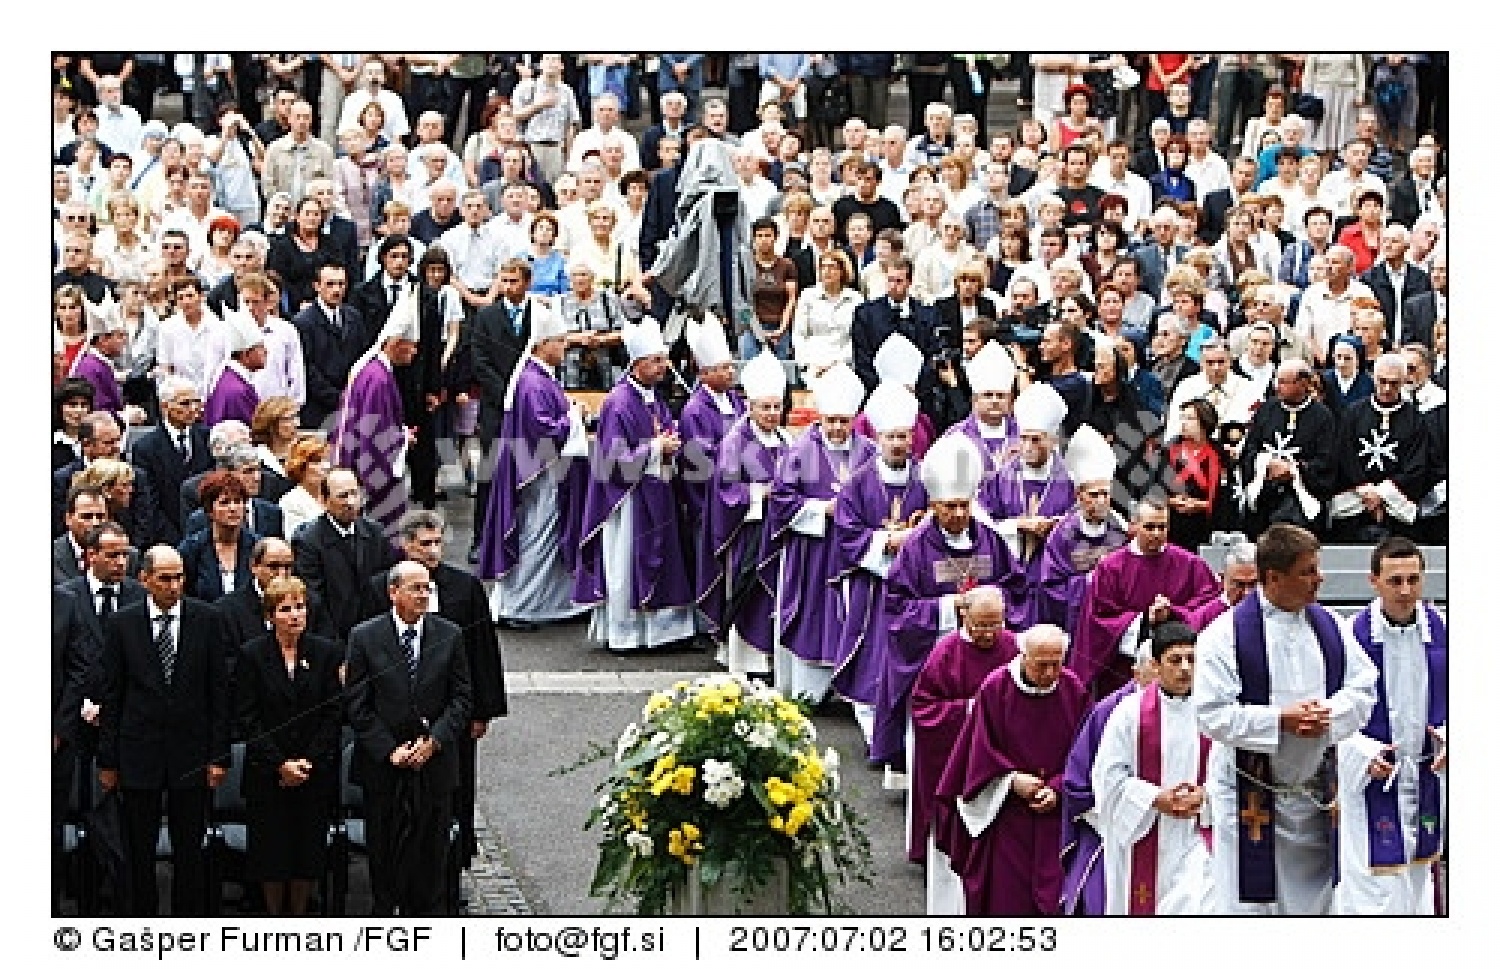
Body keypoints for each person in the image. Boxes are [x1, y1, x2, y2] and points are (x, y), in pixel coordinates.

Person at [1194, 523, 1379, 915]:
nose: (1319, 579)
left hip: (1314, 795)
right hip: (1249, 799)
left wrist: (1330, 715)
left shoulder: (1331, 627)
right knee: (1250, 909)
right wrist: (1280, 721)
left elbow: (1364, 687)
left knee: (1317, 907)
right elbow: (1211, 714)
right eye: (1307, 571)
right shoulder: (1224, 636)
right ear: (1274, 578)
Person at [876, 433, 1027, 784]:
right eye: (949, 507)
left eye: (964, 505)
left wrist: (989, 607)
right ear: (933, 504)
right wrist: (951, 607)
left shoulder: (990, 540)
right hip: (936, 653)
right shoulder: (915, 548)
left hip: (987, 652)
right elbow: (897, 608)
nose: (959, 514)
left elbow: (1017, 589)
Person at [366, 511, 509, 876]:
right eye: (424, 544)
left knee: (455, 791)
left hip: (453, 709)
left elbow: (482, 649)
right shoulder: (382, 586)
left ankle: (453, 866)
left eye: (437, 543)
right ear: (406, 545)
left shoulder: (464, 587)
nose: (432, 551)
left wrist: (483, 710)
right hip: (400, 709)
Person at [97, 545, 231, 916]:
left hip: (192, 753)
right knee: (138, 850)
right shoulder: (122, 624)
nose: (174, 586)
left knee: (190, 849)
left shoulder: (207, 619)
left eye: (179, 577)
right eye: (165, 578)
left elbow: (219, 693)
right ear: (144, 579)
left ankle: (188, 923)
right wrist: (108, 760)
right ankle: (143, 921)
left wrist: (219, 756)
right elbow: (113, 695)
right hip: (138, 753)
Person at [931, 623, 1090, 916]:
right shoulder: (996, 689)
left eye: (1056, 664)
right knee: (1006, 902)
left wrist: (1057, 787)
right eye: (1041, 665)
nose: (1050, 674)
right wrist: (1012, 780)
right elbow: (977, 752)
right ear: (1023, 656)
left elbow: (1084, 752)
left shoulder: (1073, 689)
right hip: (1006, 816)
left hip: (1056, 817)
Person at [345, 560, 472, 916]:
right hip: (385, 769)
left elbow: (462, 698)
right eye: (415, 588)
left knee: (430, 859)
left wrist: (435, 741)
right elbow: (357, 704)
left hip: (434, 767)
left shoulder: (449, 635)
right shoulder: (364, 637)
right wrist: (389, 750)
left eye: (427, 588)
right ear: (393, 592)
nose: (422, 595)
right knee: (385, 857)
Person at [1332, 537, 1448, 915]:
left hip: (1425, 774)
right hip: (1374, 779)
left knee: (1418, 884)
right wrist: (1363, 753)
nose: (1405, 590)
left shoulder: (1443, 630)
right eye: (1395, 581)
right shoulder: (1350, 637)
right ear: (1373, 581)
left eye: (1413, 580)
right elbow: (1335, 709)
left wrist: (1449, 738)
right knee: (1374, 890)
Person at [572, 317, 697, 653]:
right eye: (656, 360)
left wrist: (670, 442)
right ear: (637, 363)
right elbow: (613, 461)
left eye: (664, 359)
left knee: (662, 559)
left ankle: (663, 632)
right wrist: (657, 448)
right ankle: (627, 634)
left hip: (657, 491)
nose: (663, 367)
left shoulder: (652, 396)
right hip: (627, 500)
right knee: (627, 563)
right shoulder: (619, 402)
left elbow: (665, 430)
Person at [478, 304, 590, 628]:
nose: (565, 346)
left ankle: (550, 605)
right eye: (560, 341)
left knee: (547, 538)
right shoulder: (532, 382)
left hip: (545, 473)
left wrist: (570, 412)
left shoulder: (539, 378)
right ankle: (517, 607)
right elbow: (543, 431)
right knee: (535, 539)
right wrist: (574, 417)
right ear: (542, 344)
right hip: (537, 476)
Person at [829, 383, 928, 750]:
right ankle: (874, 729)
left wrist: (918, 534)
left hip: (916, 584)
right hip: (873, 586)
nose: (898, 443)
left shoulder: (927, 477)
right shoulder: (858, 483)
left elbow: (940, 519)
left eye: (903, 436)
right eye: (890, 437)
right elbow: (847, 531)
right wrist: (888, 541)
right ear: (877, 438)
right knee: (873, 655)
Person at [235, 575, 341, 916]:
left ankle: (299, 916)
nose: (295, 615)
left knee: (306, 855)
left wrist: (307, 762)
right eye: (285, 609)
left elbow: (333, 713)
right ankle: (274, 918)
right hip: (268, 775)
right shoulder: (252, 655)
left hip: (313, 773)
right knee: (272, 856)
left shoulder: (325, 653)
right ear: (270, 615)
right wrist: (280, 764)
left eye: (300, 607)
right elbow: (247, 717)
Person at [765, 364, 871, 703]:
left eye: (844, 421)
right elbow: (781, 499)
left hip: (853, 552)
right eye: (831, 421)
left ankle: (848, 689)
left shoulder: (868, 451)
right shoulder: (801, 451)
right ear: (820, 417)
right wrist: (822, 510)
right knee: (813, 616)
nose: (838, 428)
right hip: (814, 551)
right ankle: (810, 692)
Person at [1092, 620, 1214, 914]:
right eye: (1175, 660)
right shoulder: (1129, 714)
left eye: (1192, 659)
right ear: (1156, 666)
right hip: (1145, 829)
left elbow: (1233, 771)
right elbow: (1108, 777)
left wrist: (1206, 796)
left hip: (1198, 831)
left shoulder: (1214, 712)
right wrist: (1156, 798)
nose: (1185, 668)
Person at [911, 585, 1018, 913]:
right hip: (955, 761)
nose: (988, 633)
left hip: (998, 762)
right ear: (963, 616)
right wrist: (970, 710)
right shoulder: (945, 654)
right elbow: (923, 708)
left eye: (995, 624)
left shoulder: (1013, 647)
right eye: (981, 625)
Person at [1069, 497, 1220, 699]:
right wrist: (1144, 620)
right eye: (1149, 527)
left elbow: (1209, 606)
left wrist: (1173, 613)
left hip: (1180, 669)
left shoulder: (1191, 564)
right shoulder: (1111, 568)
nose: (1156, 534)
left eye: (1162, 527)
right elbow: (1098, 621)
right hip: (1123, 671)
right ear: (1134, 526)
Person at [699, 351, 790, 674]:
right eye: (765, 407)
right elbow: (725, 490)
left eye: (777, 407)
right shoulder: (735, 442)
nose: (772, 414)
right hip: (747, 532)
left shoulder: (786, 440)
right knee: (749, 593)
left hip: (777, 533)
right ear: (750, 406)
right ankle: (744, 657)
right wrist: (759, 493)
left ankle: (770, 657)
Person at [979, 383, 1075, 627]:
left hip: (1052, 581)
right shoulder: (1002, 477)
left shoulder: (1070, 479)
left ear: (1053, 440)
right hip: (1009, 575)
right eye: (1023, 438)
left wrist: (1055, 528)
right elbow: (983, 523)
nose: (1028, 447)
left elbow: (1084, 526)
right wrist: (1018, 526)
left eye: (1036, 439)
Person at [329, 287, 420, 540]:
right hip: (374, 480)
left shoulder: (373, 371)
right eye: (412, 346)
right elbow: (374, 436)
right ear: (396, 343)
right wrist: (403, 439)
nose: (415, 352)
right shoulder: (378, 379)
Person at [468, 259, 537, 562]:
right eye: (504, 281)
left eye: (514, 281)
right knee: (490, 472)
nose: (508, 287)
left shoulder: (540, 316)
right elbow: (479, 359)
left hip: (531, 406)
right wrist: (507, 392)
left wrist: (526, 394)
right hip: (496, 407)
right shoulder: (486, 316)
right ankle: (481, 537)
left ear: (527, 283)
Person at [1327, 353, 1431, 543]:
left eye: (1394, 383)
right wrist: (1365, 489)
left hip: (1396, 505)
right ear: (1374, 378)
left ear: (1404, 381)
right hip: (1354, 501)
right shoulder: (1353, 413)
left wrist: (1382, 494)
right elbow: (1344, 455)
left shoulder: (1415, 420)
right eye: (1382, 381)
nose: (1387, 388)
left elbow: (1416, 465)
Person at [1037, 424, 1129, 633]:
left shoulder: (1119, 530)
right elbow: (1051, 586)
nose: (1101, 501)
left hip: (1114, 620)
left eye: (1105, 494)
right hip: (1076, 621)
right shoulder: (1063, 534)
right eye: (1094, 495)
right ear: (1079, 496)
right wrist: (1092, 580)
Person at [291, 467, 399, 641]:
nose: (350, 502)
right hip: (333, 638)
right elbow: (314, 599)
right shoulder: (308, 541)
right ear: (324, 500)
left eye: (354, 494)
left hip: (374, 634)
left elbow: (386, 583)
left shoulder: (376, 533)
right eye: (342, 496)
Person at [177, 470, 256, 604]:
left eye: (238, 501)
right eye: (224, 502)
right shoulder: (191, 550)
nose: (233, 508)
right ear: (209, 510)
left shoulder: (257, 546)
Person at [201, 309, 265, 428]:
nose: (266, 352)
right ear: (246, 355)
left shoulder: (232, 380)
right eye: (260, 348)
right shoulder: (237, 391)